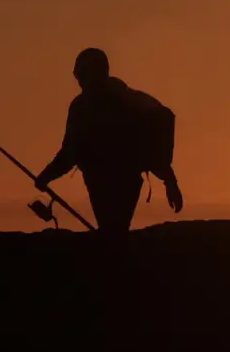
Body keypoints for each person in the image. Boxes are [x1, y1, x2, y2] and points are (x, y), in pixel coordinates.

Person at [33, 47, 183, 232]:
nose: (79, 80)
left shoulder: (84, 107)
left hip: (106, 179)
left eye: (81, 74)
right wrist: (170, 182)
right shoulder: (126, 100)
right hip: (120, 179)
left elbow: (70, 153)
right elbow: (70, 152)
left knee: (112, 231)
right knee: (115, 230)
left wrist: (46, 176)